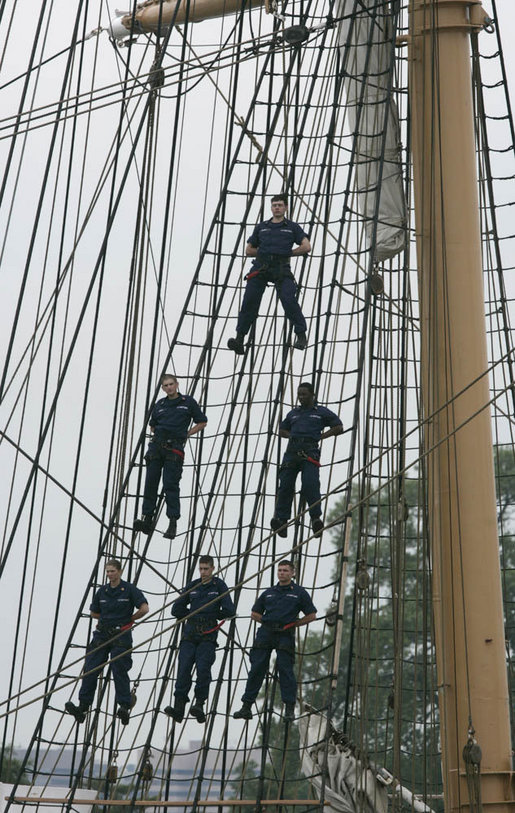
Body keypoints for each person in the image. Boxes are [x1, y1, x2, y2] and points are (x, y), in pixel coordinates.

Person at [65, 559, 149, 725]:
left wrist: (129, 620)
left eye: (112, 571)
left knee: (119, 668)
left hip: (121, 635)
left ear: (119, 571)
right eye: (108, 571)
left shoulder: (129, 589)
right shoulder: (102, 591)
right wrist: (106, 619)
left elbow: (144, 608)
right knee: (90, 668)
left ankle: (124, 706)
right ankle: (83, 707)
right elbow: (93, 612)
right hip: (102, 634)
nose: (110, 574)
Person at [233, 560, 316, 723]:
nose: (282, 573)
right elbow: (254, 613)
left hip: (285, 633)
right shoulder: (269, 592)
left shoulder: (299, 593)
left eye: (285, 570)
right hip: (266, 632)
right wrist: (266, 621)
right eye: (279, 570)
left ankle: (290, 709)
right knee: (257, 668)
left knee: (285, 670)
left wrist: (295, 624)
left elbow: (312, 615)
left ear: (293, 573)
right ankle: (246, 706)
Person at [227, 194, 311, 355]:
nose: (277, 208)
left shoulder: (292, 227)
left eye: (280, 205)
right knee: (249, 300)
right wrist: (266, 253)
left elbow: (306, 246)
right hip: (261, 267)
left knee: (288, 299)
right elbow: (249, 250)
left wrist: (288, 253)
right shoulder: (262, 227)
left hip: (281, 268)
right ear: (271, 208)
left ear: (286, 207)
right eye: (274, 205)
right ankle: (240, 339)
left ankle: (301, 335)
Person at [133, 374, 207, 539]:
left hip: (174, 448)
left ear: (177, 384)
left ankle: (172, 522)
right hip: (156, 447)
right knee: (150, 483)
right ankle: (147, 519)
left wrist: (186, 434)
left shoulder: (188, 402)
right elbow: (152, 426)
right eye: (165, 385)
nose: (169, 387)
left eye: (171, 384)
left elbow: (202, 422)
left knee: (170, 485)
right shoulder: (160, 404)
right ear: (162, 388)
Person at [165, 555, 235, 723]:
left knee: (203, 669)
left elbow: (229, 610)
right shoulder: (193, 586)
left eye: (206, 569)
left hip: (208, 635)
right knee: (183, 670)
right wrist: (192, 614)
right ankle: (179, 707)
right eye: (201, 569)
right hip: (190, 634)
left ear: (213, 568)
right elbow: (176, 609)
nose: (203, 572)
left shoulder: (219, 586)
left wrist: (211, 615)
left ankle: (199, 704)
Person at [270, 382, 343, 539]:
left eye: (304, 394)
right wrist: (291, 436)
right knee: (285, 486)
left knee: (310, 484)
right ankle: (282, 520)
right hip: (292, 451)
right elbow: (282, 429)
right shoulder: (293, 414)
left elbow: (338, 426)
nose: (301, 397)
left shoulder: (321, 412)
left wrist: (322, 436)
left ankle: (315, 519)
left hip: (309, 451)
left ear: (312, 395)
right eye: (299, 394)